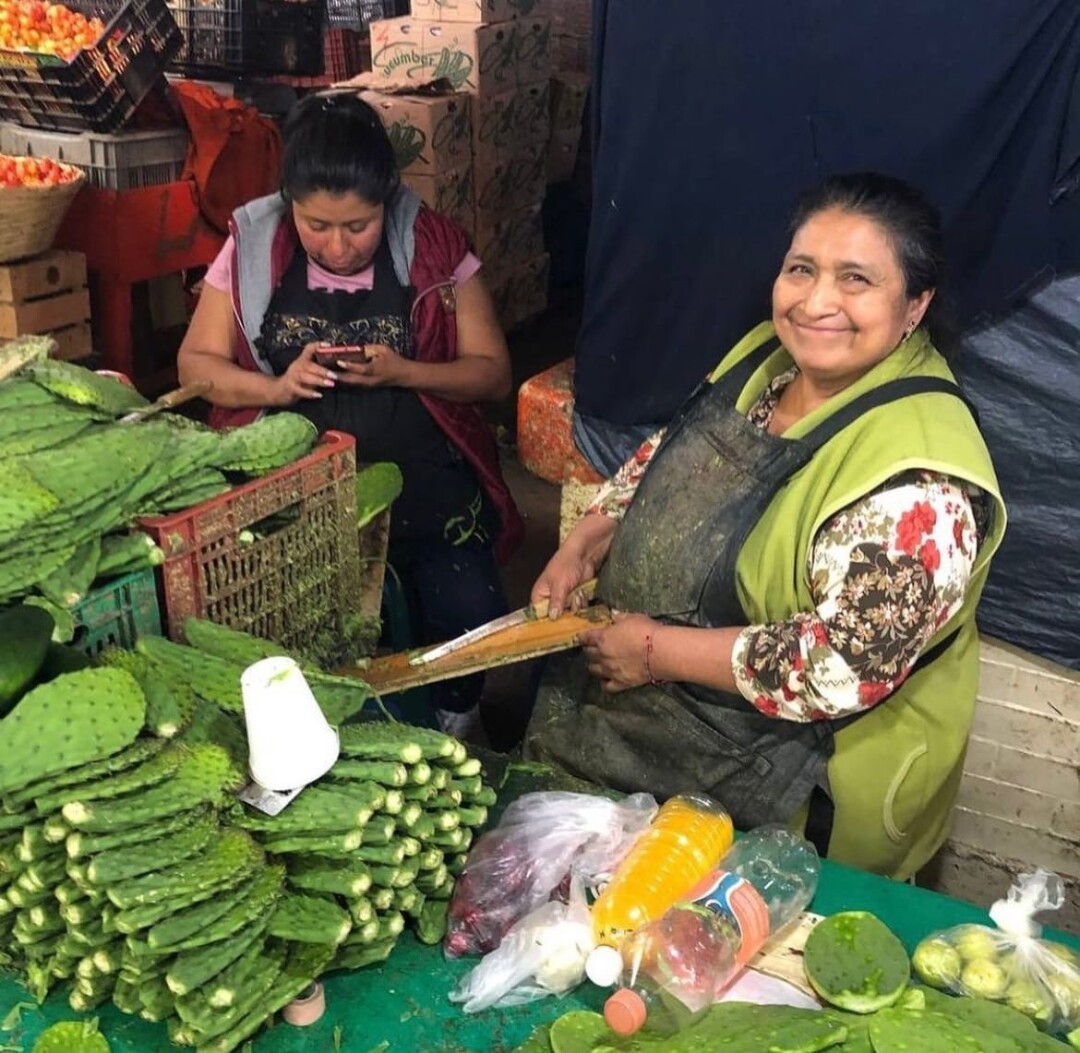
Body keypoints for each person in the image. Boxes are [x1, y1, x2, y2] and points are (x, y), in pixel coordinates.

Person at [524, 173, 1007, 881]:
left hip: (802, 770)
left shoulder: (920, 482)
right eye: (801, 269)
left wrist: (653, 652)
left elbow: (841, 665)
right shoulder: (765, 355)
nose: (816, 302)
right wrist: (584, 542)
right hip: (668, 713)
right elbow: (664, 456)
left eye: (856, 279)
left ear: (916, 304)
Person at [177, 93, 523, 735]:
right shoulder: (251, 244)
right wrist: (278, 387)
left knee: (469, 612)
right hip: (293, 491)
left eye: (358, 226)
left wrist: (405, 371)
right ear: (289, 202)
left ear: (387, 198)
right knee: (282, 627)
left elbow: (492, 372)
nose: (337, 247)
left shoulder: (433, 244)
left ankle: (456, 716)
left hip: (422, 481)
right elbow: (195, 364)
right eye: (316, 225)